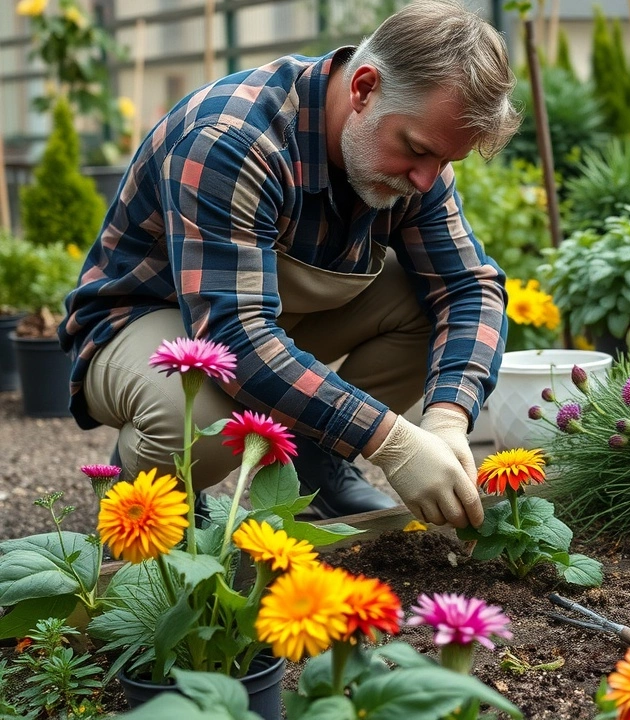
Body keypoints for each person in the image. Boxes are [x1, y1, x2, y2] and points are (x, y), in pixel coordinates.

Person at [57, 0, 519, 528]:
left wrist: (446, 421)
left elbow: (469, 288)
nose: (426, 180)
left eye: (444, 162)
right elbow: (236, 337)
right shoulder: (231, 139)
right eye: (416, 150)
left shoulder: (417, 160)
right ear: (364, 88)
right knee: (195, 418)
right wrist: (390, 441)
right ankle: (152, 505)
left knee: (426, 301)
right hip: (150, 322)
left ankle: (317, 466)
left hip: (268, 315)